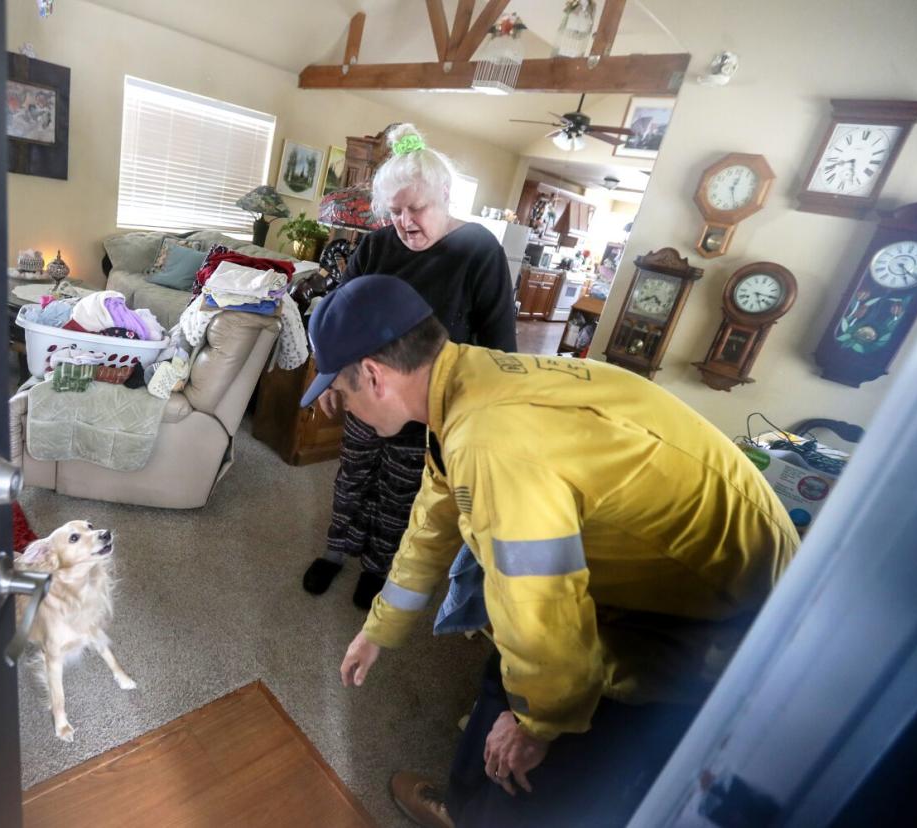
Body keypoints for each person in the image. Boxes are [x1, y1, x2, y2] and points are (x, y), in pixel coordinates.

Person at [299, 276, 801, 827]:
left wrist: (537, 724)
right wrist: (381, 627)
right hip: (676, 563)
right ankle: (464, 804)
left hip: (721, 609)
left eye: (342, 393)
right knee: (509, 671)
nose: (344, 409)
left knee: (544, 763)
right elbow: (435, 515)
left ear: (373, 374)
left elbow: (541, 610)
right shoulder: (466, 380)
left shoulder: (490, 441)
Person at [302, 123, 516, 610]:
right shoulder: (377, 247)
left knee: (402, 493)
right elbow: (337, 310)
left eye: (415, 208)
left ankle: (379, 565)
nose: (404, 222)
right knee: (353, 475)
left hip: (427, 404)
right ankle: (337, 550)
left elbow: (500, 343)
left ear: (444, 195)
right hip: (365, 391)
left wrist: (483, 414)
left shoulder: (479, 250)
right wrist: (330, 375)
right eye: (394, 211)